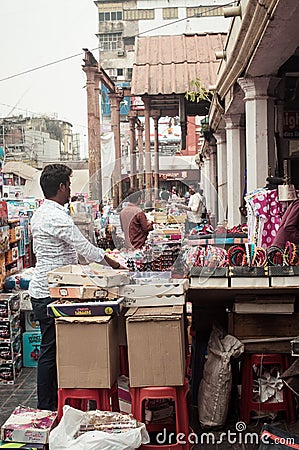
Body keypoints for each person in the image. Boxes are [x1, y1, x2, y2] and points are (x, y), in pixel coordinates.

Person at [28, 164, 126, 411]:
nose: (70, 189)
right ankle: (48, 407)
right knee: (51, 351)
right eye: (69, 185)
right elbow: (85, 249)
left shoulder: (42, 213)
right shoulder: (56, 216)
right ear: (61, 187)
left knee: (53, 349)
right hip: (50, 292)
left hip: (50, 289)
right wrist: (113, 264)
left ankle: (57, 403)